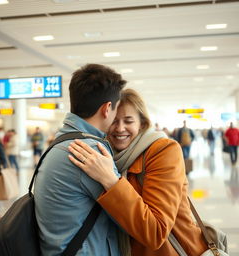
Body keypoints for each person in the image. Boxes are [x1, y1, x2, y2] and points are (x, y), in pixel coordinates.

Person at [68, 89, 208, 256]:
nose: (120, 128)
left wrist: (111, 180)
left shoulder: (163, 150)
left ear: (142, 124)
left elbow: (156, 232)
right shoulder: (104, 154)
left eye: (128, 121)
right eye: (114, 121)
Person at [34, 63, 126, 255]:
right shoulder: (89, 151)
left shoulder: (62, 141)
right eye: (117, 110)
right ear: (107, 108)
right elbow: (127, 218)